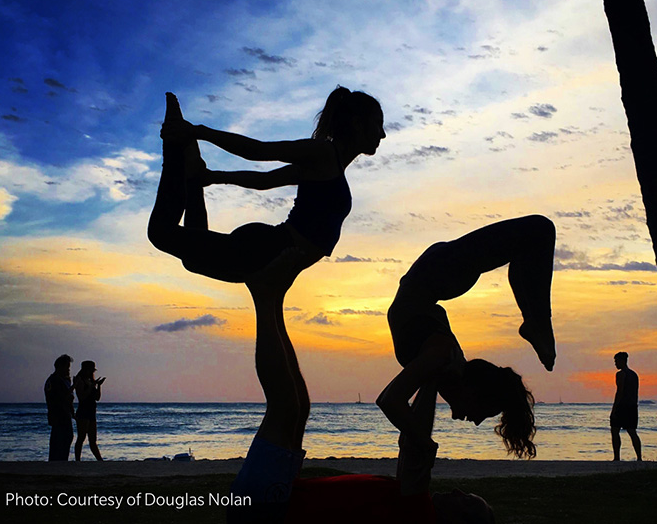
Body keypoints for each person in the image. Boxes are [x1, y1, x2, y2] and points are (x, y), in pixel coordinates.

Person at [227, 263, 494, 524]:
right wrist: (429, 375)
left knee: (284, 408)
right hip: (279, 496)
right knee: (299, 408)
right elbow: (409, 448)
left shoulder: (420, 515)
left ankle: (262, 294)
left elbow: (415, 449)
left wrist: (431, 372)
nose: (459, 491)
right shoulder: (410, 503)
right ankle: (274, 297)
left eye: (467, 501)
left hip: (269, 507)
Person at [148, 86, 385, 287]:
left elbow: (264, 181)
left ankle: (192, 173)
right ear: (356, 123)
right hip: (265, 250)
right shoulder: (322, 152)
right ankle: (176, 146)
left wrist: (212, 177)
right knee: (160, 233)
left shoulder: (328, 167)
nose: (383, 134)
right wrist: (198, 132)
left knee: (194, 261)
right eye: (378, 124)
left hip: (269, 256)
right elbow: (260, 151)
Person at [377, 216, 557, 468]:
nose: (476, 421)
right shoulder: (442, 356)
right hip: (435, 274)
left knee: (534, 236)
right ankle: (537, 323)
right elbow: (389, 402)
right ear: (474, 391)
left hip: (432, 277)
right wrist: (426, 443)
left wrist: (421, 441)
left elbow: (398, 408)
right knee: (538, 231)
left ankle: (535, 323)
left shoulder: (440, 363)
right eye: (483, 412)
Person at [610, 351, 642, 461]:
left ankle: (616, 457)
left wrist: (614, 409)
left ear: (622, 361)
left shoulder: (621, 374)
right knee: (632, 432)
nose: (615, 364)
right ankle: (639, 457)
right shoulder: (634, 375)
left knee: (615, 431)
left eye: (616, 361)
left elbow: (619, 392)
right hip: (632, 406)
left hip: (622, 406)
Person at [44, 354, 74, 461]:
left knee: (64, 439)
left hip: (63, 414)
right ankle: (58, 462)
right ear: (60, 366)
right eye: (67, 367)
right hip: (59, 415)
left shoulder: (60, 380)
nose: (68, 370)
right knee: (61, 440)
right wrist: (73, 387)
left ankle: (60, 462)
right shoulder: (55, 381)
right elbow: (62, 398)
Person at [73, 360, 106, 461]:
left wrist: (98, 385)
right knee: (81, 437)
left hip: (91, 411)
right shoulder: (79, 380)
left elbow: (97, 398)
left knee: (93, 440)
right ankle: (77, 460)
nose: (92, 372)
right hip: (83, 411)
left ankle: (99, 460)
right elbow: (81, 397)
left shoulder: (91, 380)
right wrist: (91, 386)